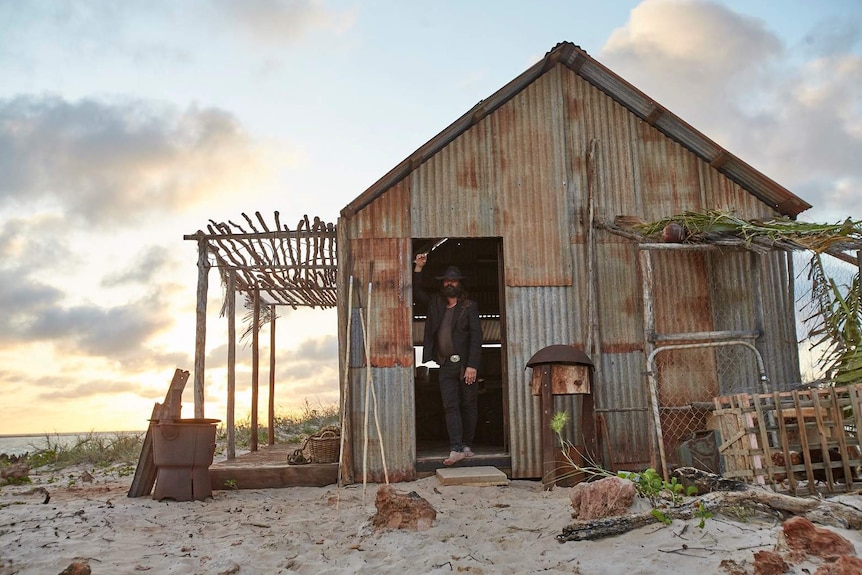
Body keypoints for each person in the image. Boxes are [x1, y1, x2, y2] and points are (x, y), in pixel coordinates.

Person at [413, 252, 482, 465]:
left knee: (468, 404)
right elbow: (415, 291)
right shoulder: (436, 303)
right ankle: (456, 448)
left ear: (459, 284)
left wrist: (472, 365)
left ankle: (467, 444)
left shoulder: (469, 306)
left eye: (453, 280)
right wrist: (419, 268)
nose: (449, 284)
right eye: (446, 281)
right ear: (443, 284)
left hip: (464, 366)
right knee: (450, 405)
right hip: (444, 364)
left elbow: (477, 337)